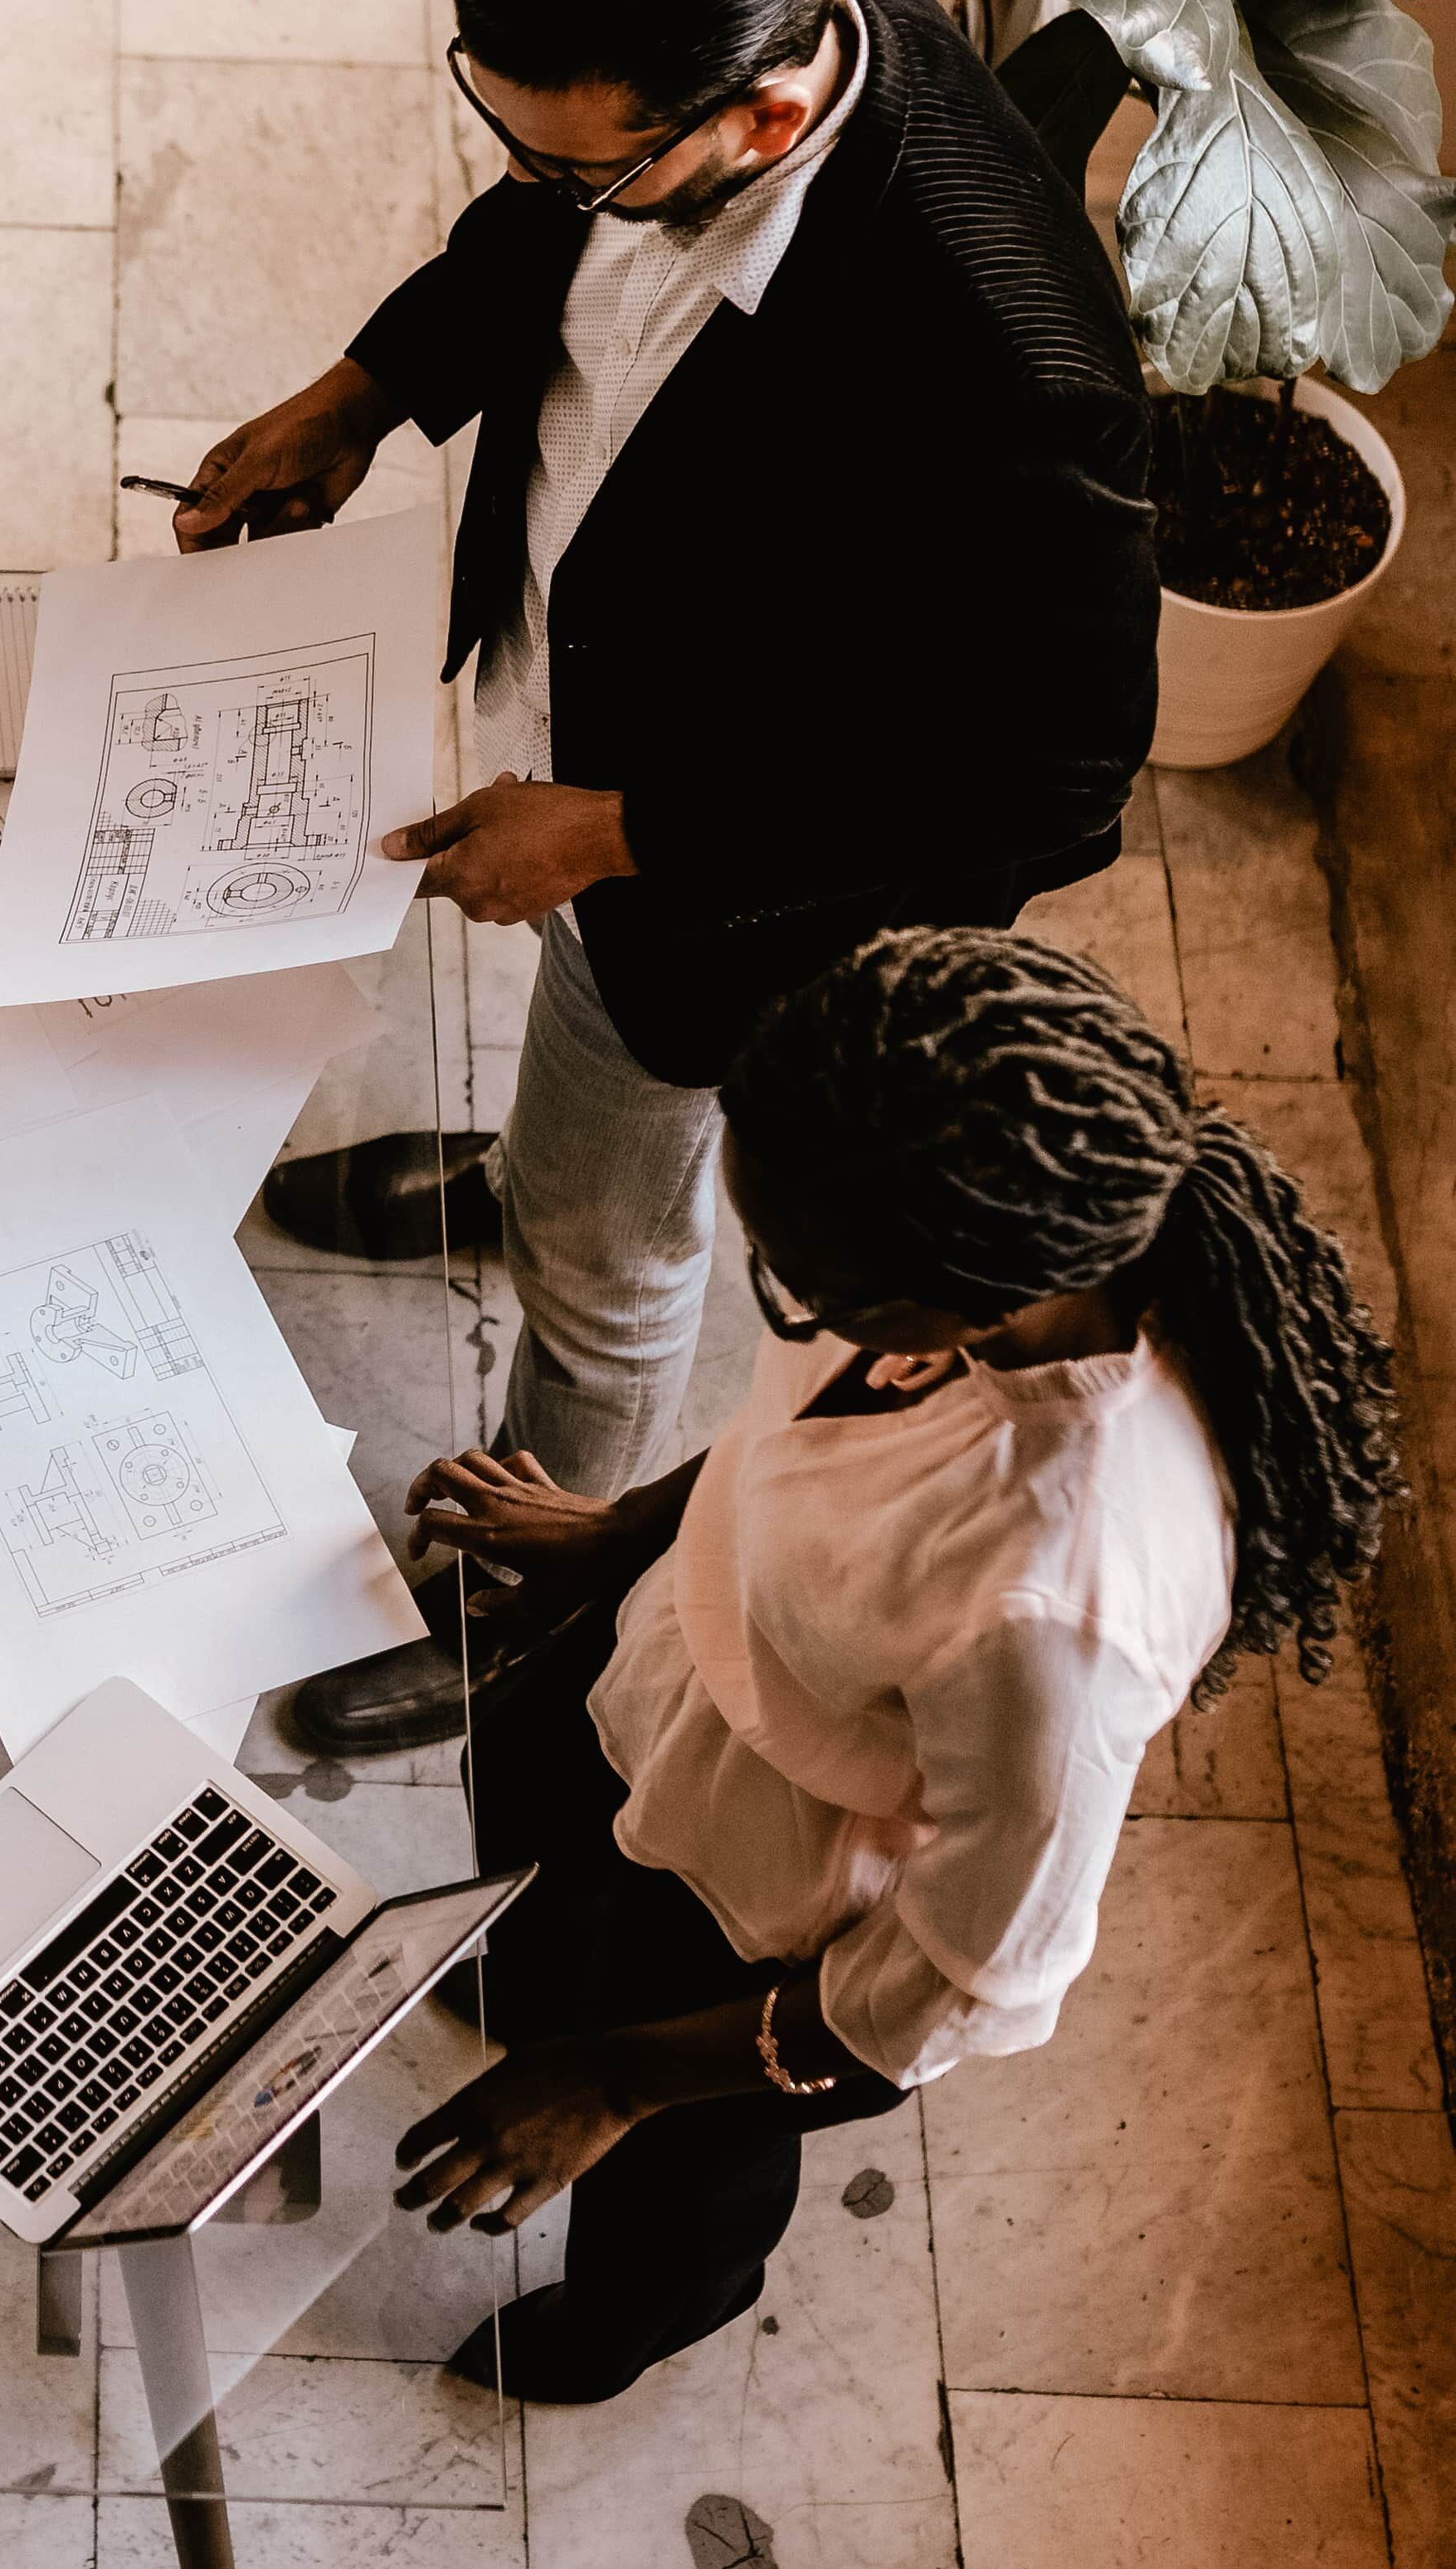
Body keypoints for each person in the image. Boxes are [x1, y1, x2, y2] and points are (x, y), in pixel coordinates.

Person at [181, 0, 1157, 1647]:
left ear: (768, 118)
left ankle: (538, 1562)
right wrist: (367, 389)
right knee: (573, 1098)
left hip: (730, 886)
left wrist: (629, 830)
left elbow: (1051, 778)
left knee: (609, 1243)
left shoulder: (1010, 371)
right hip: (603, 706)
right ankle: (517, 1168)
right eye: (510, 132)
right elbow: (546, 239)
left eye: (584, 164)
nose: (544, 184)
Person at [389, 925, 1392, 2403]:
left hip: (760, 1885)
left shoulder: (1055, 1604)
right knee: (532, 1859)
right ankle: (543, 1997)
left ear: (965, 1298)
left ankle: (626, 2325)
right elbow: (784, 1433)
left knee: (675, 2172)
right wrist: (621, 1536)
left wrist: (618, 2078)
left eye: (800, 1287)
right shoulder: (920, 1194)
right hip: (666, 1657)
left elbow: (936, 1991)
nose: (776, 1300)